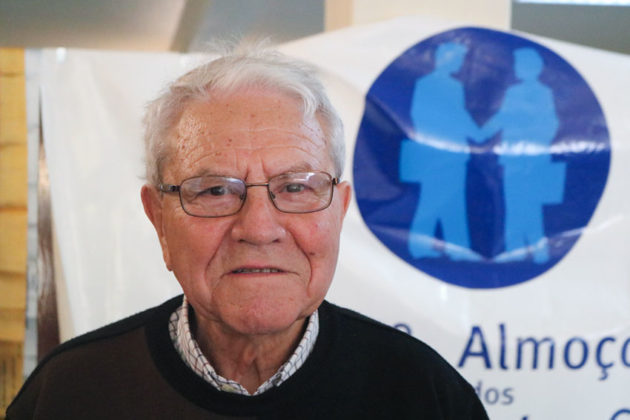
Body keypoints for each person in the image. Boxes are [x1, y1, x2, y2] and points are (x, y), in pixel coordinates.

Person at [8, 44, 488, 419]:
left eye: (295, 187)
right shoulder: (68, 393)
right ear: (159, 220)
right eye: (216, 190)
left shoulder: (426, 395)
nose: (258, 228)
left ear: (339, 211)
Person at [399, 42, 483, 261]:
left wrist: (478, 135)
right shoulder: (427, 84)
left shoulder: (455, 86)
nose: (459, 63)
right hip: (436, 157)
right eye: (456, 59)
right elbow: (420, 117)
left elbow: (461, 116)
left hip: (454, 157)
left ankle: (455, 247)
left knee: (452, 202)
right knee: (432, 201)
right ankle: (420, 246)